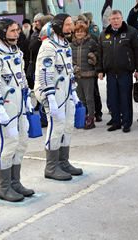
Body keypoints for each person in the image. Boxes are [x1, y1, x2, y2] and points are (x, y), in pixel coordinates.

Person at [0, 18, 35, 202]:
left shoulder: (16, 52)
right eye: (12, 31)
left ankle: (15, 182)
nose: (16, 34)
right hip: (3, 106)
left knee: (22, 141)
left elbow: (21, 78)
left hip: (18, 104)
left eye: (17, 30)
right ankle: (4, 187)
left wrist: (27, 98)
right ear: (2, 33)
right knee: (9, 142)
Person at [34, 13, 83, 181]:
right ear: (58, 26)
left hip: (66, 92)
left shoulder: (64, 45)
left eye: (72, 24)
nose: (71, 28)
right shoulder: (48, 46)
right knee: (56, 127)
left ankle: (63, 162)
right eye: (68, 24)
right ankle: (51, 166)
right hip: (53, 93)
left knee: (68, 126)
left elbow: (68, 71)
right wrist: (50, 98)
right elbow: (44, 73)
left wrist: (74, 92)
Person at [97, 10, 138, 133]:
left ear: (122, 19)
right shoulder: (103, 34)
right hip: (111, 73)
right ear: (109, 20)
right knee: (113, 99)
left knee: (125, 99)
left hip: (125, 73)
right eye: (113, 18)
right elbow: (100, 54)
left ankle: (126, 123)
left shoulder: (131, 32)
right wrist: (100, 70)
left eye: (118, 18)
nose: (116, 21)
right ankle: (116, 122)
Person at [70, 23, 98, 130]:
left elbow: (97, 55)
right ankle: (82, 118)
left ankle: (91, 118)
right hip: (77, 76)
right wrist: (73, 67)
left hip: (88, 74)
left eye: (81, 31)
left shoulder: (91, 43)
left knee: (89, 98)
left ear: (86, 32)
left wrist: (93, 59)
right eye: (77, 31)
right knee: (80, 99)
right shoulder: (71, 45)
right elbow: (68, 59)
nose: (79, 33)